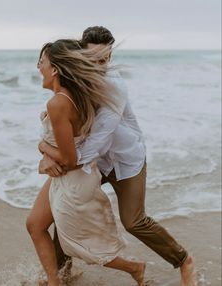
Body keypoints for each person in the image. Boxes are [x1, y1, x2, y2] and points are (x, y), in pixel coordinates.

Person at [41, 27, 197, 286]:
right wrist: (45, 150)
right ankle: (62, 274)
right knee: (64, 207)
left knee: (134, 221)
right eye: (94, 59)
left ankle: (184, 260)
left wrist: (57, 159)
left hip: (125, 161)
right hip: (93, 161)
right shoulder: (75, 79)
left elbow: (99, 140)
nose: (101, 66)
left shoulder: (114, 85)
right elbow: (56, 124)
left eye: (106, 59)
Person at [26, 39, 145, 286]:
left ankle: (134, 267)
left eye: (42, 62)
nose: (39, 67)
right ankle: (54, 282)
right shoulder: (72, 96)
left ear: (55, 69)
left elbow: (70, 159)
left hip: (74, 179)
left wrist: (42, 147)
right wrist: (47, 153)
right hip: (66, 177)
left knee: (80, 245)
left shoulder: (59, 102)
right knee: (35, 224)